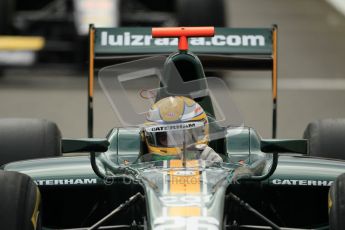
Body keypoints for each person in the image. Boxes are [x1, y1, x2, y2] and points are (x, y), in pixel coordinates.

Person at [142, 96, 223, 162]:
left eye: (180, 136)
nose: (173, 142)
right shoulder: (143, 164)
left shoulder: (208, 158)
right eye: (164, 137)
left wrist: (217, 168)